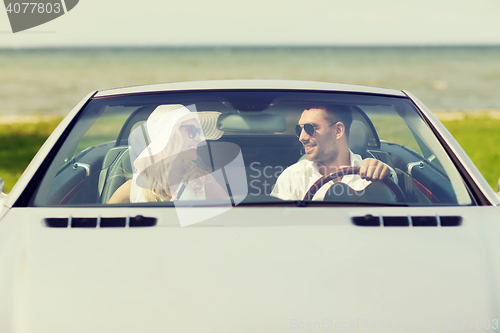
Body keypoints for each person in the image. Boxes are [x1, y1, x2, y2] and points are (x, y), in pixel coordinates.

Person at [270, 104, 397, 201]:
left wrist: (385, 174)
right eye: (299, 129)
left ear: (338, 130)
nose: (301, 137)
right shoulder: (292, 177)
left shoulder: (373, 172)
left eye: (310, 128)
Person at [108, 104, 228, 204]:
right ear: (169, 135)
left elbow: (232, 222)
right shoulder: (134, 189)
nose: (198, 138)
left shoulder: (203, 183)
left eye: (197, 131)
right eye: (191, 130)